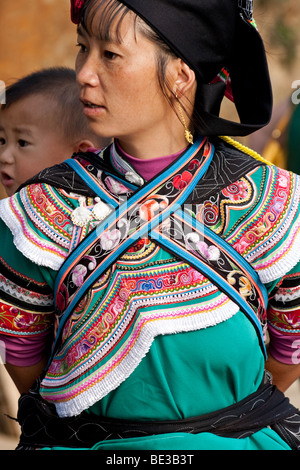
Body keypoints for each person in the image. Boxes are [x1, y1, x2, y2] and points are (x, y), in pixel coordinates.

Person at [0, 0, 300, 450]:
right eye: (83, 49)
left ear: (181, 75)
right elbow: (24, 359)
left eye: (110, 55)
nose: (83, 72)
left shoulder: (274, 202)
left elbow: (288, 350)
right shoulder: (41, 210)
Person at [0, 67, 109, 196]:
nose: (3, 157)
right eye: (2, 140)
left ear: (80, 154)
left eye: (22, 143)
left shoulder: (116, 210)